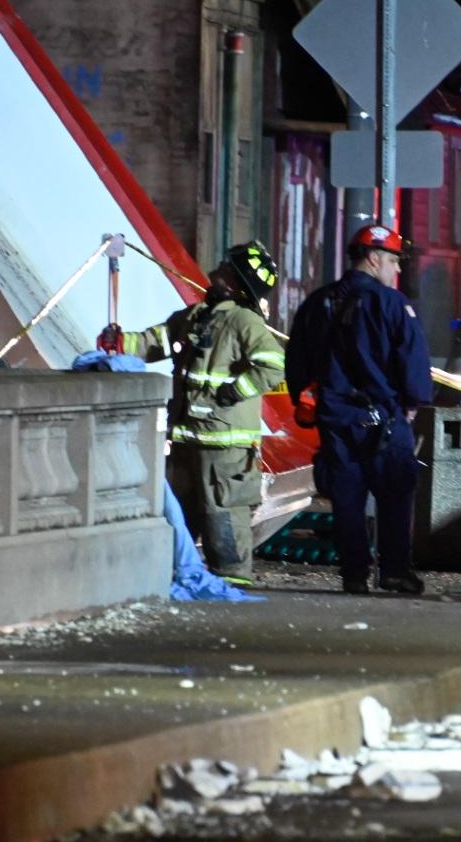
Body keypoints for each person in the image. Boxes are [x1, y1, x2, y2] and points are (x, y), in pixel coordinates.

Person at [284, 225, 434, 596]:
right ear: (374, 258)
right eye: (393, 260)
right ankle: (395, 571)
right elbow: (412, 362)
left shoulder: (317, 303)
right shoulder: (393, 304)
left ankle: (354, 574)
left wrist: (312, 402)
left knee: (347, 497)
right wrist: (412, 404)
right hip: (384, 417)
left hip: (336, 418)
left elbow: (296, 365)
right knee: (396, 493)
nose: (396, 269)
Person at [130, 241, 284, 584]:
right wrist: (117, 343)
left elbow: (273, 366)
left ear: (236, 281)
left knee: (223, 512)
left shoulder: (244, 322)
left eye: (227, 268)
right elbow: (154, 341)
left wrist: (233, 391)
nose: (217, 270)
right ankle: (173, 574)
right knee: (177, 511)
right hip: (187, 437)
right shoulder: (196, 316)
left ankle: (231, 579)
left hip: (225, 444)